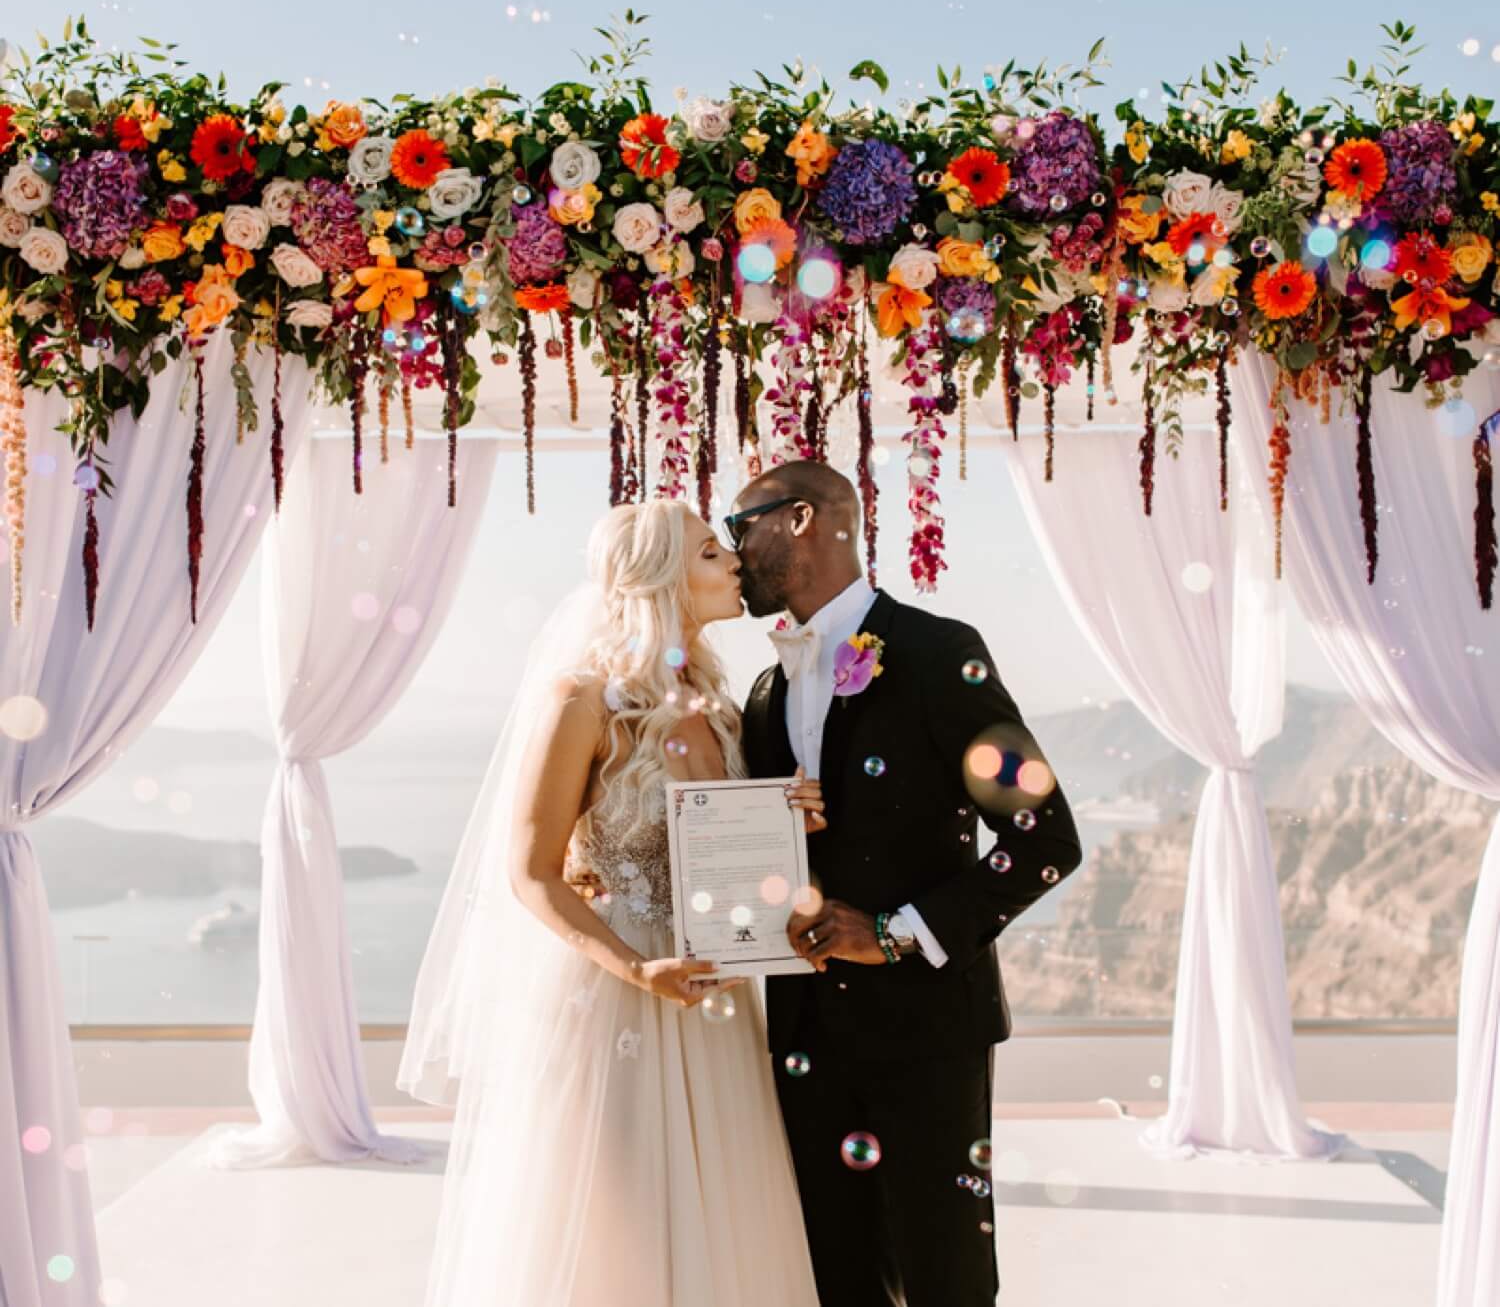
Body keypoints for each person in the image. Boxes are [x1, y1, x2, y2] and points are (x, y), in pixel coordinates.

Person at [399, 499, 824, 1307]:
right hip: (614, 1003)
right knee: (616, 1239)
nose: (734, 561)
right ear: (662, 577)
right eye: (710, 552)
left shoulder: (725, 708)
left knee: (720, 1225)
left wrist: (789, 818)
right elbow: (529, 868)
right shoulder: (582, 701)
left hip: (714, 1004)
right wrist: (638, 968)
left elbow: (730, 856)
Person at [730, 458, 1084, 1307]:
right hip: (805, 1037)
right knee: (838, 1277)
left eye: (743, 527)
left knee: (946, 1278)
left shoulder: (937, 653)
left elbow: (1046, 836)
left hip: (928, 1033)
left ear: (804, 518)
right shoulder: (764, 691)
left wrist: (890, 932)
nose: (732, 549)